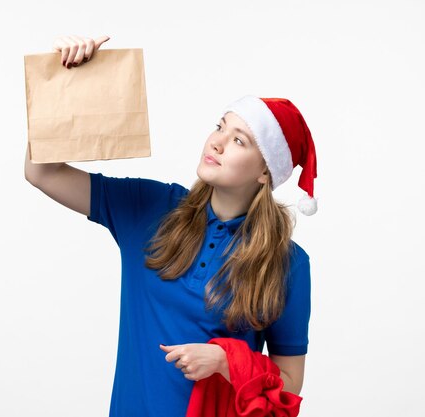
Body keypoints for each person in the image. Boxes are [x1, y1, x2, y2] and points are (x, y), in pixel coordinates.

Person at [24, 34, 318, 417]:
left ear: (266, 171)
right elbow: (41, 172)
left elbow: (290, 384)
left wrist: (225, 360)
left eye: (239, 140)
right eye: (220, 127)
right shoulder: (150, 208)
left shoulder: (288, 263)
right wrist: (67, 86)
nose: (216, 142)